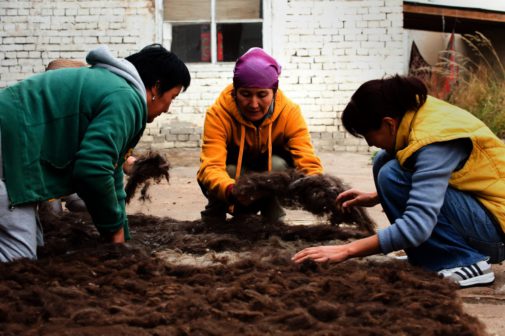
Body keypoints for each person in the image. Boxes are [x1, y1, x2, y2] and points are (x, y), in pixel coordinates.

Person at [292, 75, 505, 288]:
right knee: (384, 160)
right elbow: (442, 179)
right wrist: (376, 197)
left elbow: (417, 225)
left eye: (368, 134)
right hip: (483, 211)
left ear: (389, 123)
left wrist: (346, 250)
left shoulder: (434, 142)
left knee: (392, 173)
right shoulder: (415, 110)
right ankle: (431, 255)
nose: (369, 143)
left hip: (496, 233)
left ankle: (466, 261)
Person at [0, 44, 190, 262]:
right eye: (172, 97)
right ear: (156, 88)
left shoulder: (116, 88)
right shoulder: (125, 99)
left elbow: (111, 171)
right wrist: (113, 229)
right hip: (9, 149)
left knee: (38, 245)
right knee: (17, 259)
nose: (168, 108)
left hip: (16, 149)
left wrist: (121, 239)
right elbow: (93, 170)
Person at [197, 47, 323, 223]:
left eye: (262, 95)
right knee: (228, 171)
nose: (254, 104)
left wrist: (322, 188)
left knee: (279, 165)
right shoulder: (218, 114)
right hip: (234, 183)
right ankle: (215, 211)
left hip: (269, 179)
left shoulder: (290, 113)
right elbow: (211, 166)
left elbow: (306, 159)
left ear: (274, 92)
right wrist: (231, 190)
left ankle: (272, 213)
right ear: (235, 91)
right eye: (246, 94)